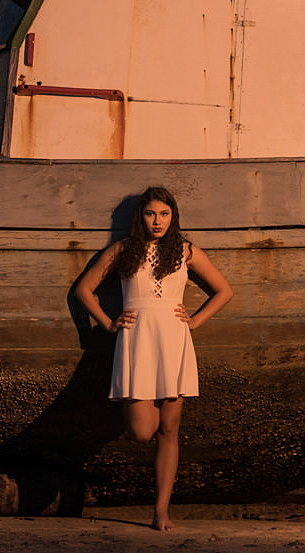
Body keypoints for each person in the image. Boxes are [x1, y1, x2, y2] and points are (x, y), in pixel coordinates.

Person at [73, 186, 233, 531]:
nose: (157, 221)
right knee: (142, 431)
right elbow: (83, 289)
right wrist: (107, 323)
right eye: (150, 214)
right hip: (137, 339)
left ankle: (161, 512)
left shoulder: (186, 250)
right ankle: (151, 420)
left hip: (174, 338)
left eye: (164, 214)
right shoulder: (123, 249)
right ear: (140, 217)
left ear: (173, 216)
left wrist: (195, 321)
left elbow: (224, 290)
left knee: (169, 430)